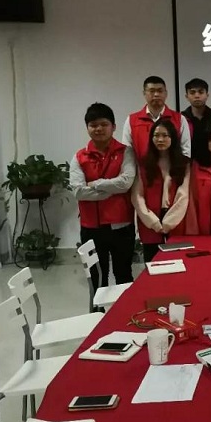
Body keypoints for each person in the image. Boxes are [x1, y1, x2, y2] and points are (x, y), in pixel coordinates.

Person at [70, 102, 136, 290]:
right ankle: (99, 309)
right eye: (93, 125)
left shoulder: (126, 152)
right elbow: (79, 191)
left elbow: (126, 183)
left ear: (113, 127)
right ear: (87, 128)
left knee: (124, 274)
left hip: (122, 226)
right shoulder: (80, 156)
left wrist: (96, 184)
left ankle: (126, 308)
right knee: (97, 278)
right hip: (91, 227)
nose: (98, 129)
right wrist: (112, 189)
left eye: (104, 124)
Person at [132, 119, 191, 262]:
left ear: (173, 138)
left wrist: (169, 223)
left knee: (177, 264)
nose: (160, 139)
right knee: (152, 265)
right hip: (150, 223)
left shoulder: (184, 163)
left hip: (176, 221)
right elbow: (137, 196)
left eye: (165, 135)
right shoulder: (143, 164)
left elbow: (183, 195)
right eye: (156, 135)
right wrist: (153, 222)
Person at [123, 76, 191, 163]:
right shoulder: (132, 120)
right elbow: (127, 153)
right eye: (152, 91)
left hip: (172, 171)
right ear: (144, 93)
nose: (156, 94)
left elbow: (185, 151)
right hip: (141, 171)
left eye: (160, 91)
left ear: (166, 93)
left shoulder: (179, 119)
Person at [181, 77, 211, 162]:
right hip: (188, 163)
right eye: (192, 92)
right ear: (186, 96)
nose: (197, 96)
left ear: (207, 95)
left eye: (201, 92)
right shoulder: (181, 118)